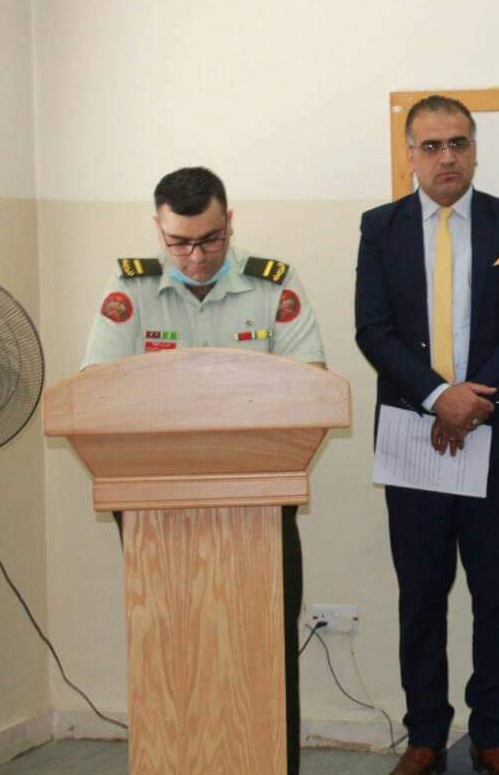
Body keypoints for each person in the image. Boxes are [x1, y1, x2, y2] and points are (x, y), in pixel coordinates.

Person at [82, 165, 325, 775]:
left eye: (210, 239)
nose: (195, 257)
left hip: (259, 505)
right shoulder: (129, 289)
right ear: (158, 230)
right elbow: (96, 395)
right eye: (179, 243)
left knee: (265, 649)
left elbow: (310, 391)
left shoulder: (273, 285)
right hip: (153, 510)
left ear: (230, 221)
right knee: (169, 651)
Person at [355, 95, 499, 775]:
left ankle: (493, 734)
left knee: (498, 595)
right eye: (432, 146)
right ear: (410, 154)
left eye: (458, 143)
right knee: (421, 598)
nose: (447, 157)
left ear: (475, 150)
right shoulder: (380, 228)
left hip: (494, 437)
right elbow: (372, 328)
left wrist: (473, 401)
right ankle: (426, 736)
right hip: (414, 438)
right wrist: (439, 398)